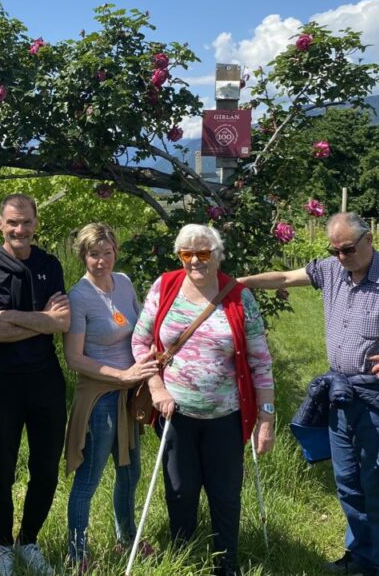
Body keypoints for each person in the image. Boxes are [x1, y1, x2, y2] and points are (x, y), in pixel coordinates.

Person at [239, 212, 379, 576]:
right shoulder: (331, 270)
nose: (341, 256)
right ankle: (358, 555)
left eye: (347, 249)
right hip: (340, 395)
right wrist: (238, 282)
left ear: (369, 239)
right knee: (347, 481)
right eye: (335, 250)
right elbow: (284, 277)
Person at [131, 224, 276, 576]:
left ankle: (227, 564)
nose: (195, 260)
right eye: (186, 254)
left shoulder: (239, 296)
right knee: (180, 491)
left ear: (218, 254)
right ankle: (184, 558)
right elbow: (140, 342)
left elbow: (260, 361)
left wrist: (267, 420)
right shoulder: (164, 286)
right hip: (175, 413)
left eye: (203, 253)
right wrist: (156, 388)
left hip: (226, 415)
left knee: (224, 494)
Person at [0, 193, 70, 576]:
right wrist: (40, 318)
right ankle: (2, 544)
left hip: (45, 381)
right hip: (2, 385)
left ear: (36, 223)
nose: (20, 229)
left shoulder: (50, 264)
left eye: (26, 222)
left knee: (45, 468)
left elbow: (62, 323)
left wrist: (13, 315)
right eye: (12, 222)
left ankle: (29, 540)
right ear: (0, 224)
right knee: (1, 468)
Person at [62, 223, 159, 573]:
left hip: (131, 396)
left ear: (115, 251)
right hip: (101, 395)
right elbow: (74, 358)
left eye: (106, 252)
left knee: (130, 473)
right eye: (93, 254)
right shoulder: (79, 296)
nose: (100, 261)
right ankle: (77, 552)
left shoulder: (125, 283)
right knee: (89, 479)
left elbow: (142, 327)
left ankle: (127, 537)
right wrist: (121, 375)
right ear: (83, 256)